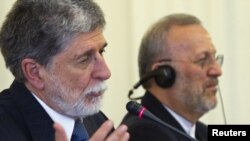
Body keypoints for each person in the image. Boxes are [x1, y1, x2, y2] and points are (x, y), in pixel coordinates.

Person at [0, 0, 129, 141]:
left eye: (101, 51)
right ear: (35, 73)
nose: (105, 73)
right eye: (84, 59)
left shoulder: (95, 120)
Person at [121, 13, 223, 141]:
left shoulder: (200, 131)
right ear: (163, 74)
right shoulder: (143, 133)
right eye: (202, 59)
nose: (217, 71)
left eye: (215, 58)